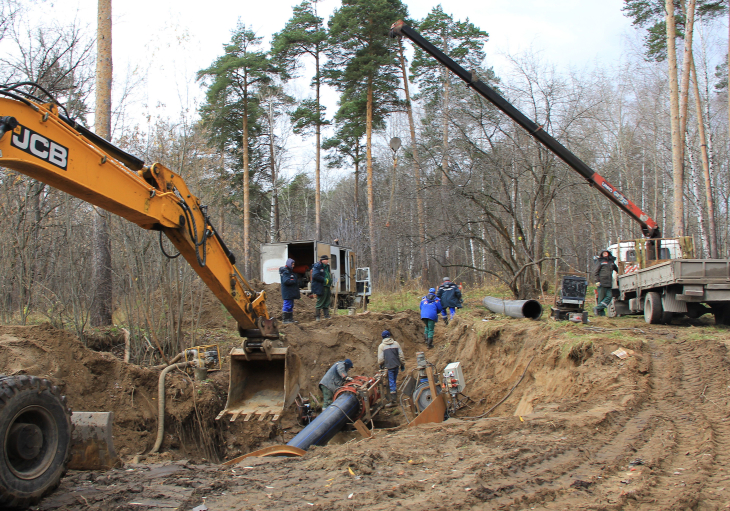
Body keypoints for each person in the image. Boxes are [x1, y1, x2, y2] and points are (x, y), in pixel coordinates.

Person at [377, 330, 405, 404]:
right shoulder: (396, 344)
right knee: (393, 380)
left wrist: (381, 364)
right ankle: (393, 395)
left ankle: (393, 400)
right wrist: (402, 364)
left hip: (389, 366)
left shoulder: (382, 346)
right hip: (396, 365)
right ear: (389, 336)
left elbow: (380, 359)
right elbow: (401, 355)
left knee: (391, 381)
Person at [593, 250, 618, 316]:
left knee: (609, 297)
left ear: (608, 254)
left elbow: (617, 269)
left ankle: (597, 308)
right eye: (603, 253)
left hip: (609, 283)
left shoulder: (611, 262)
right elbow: (596, 272)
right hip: (601, 282)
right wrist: (597, 281)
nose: (605, 254)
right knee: (601, 298)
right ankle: (601, 314)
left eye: (606, 253)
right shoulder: (600, 261)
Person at [311, 254, 333, 321]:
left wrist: (329, 280)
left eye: (327, 260)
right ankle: (317, 317)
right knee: (320, 301)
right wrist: (324, 279)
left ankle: (326, 315)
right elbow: (315, 276)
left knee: (327, 301)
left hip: (327, 286)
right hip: (321, 286)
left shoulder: (327, 266)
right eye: (326, 260)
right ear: (323, 260)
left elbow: (328, 274)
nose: (327, 261)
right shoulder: (318, 266)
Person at [279, 258, 300, 324]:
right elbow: (286, 281)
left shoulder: (289, 272)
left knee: (291, 305)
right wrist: (294, 281)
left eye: (293, 264)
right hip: (287, 292)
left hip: (290, 292)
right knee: (287, 305)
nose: (293, 266)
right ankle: (285, 319)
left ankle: (290, 319)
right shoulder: (286, 272)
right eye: (292, 264)